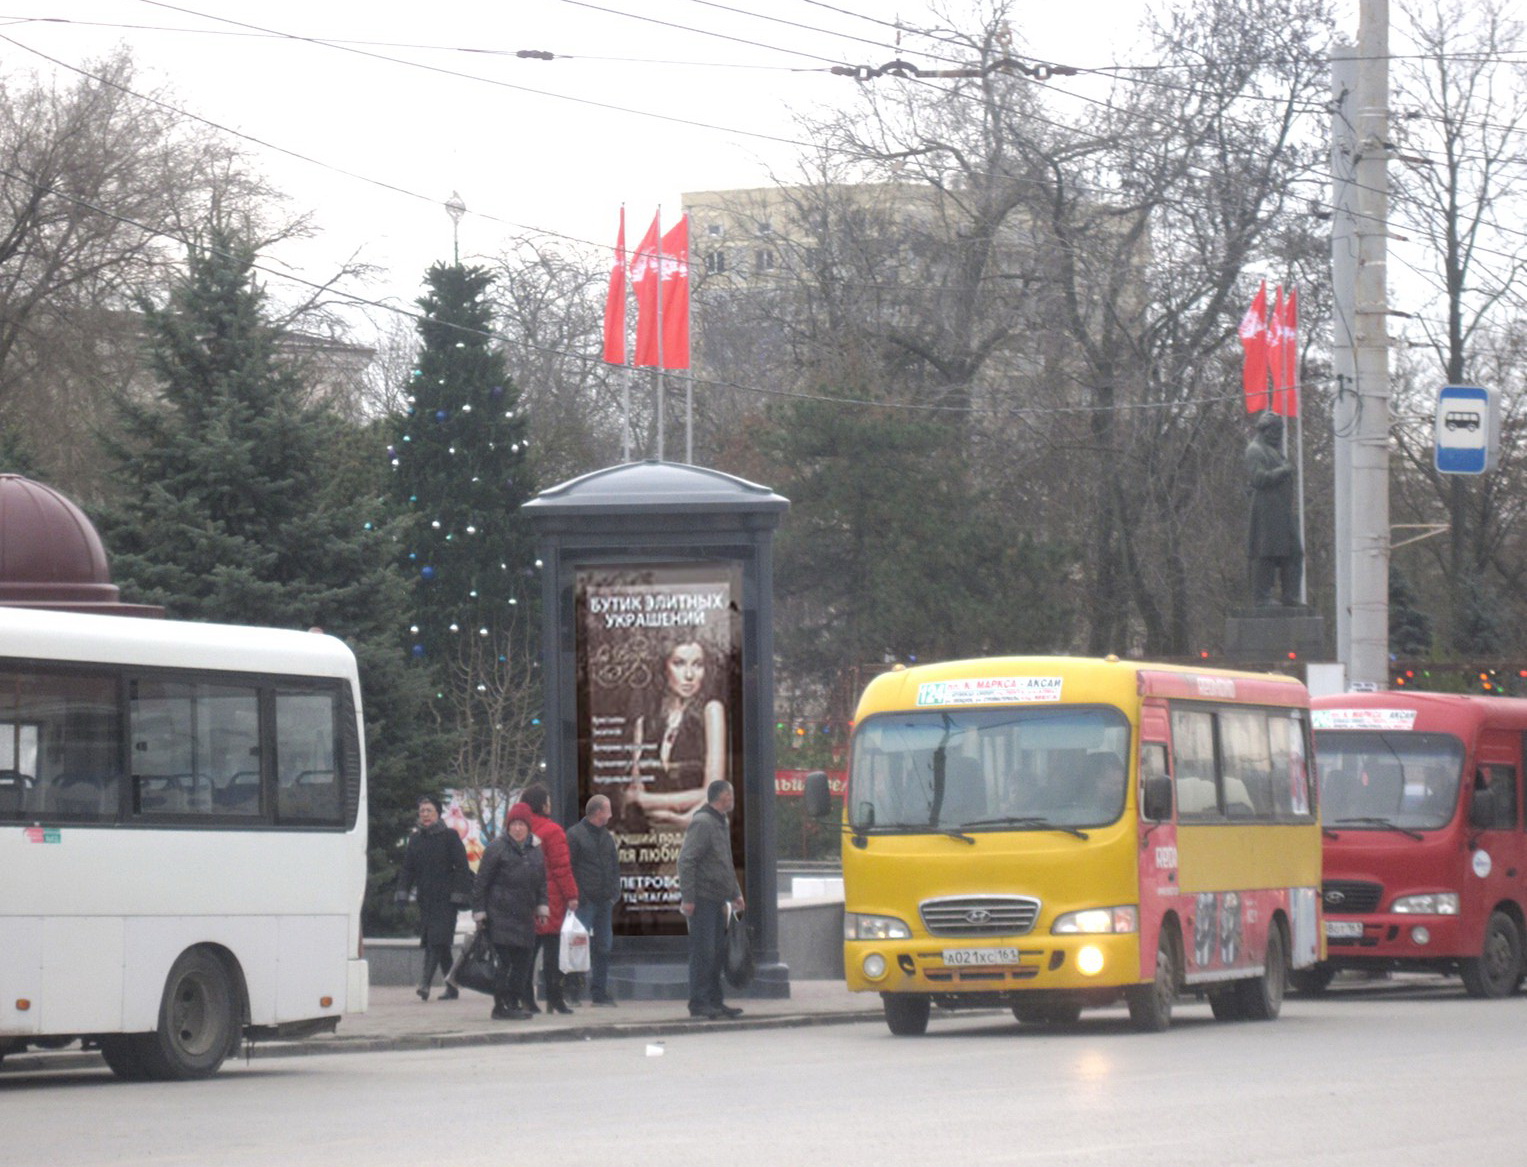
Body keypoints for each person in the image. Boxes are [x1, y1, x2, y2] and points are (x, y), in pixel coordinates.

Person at [625, 632, 727, 830]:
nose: (689, 675)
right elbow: (632, 795)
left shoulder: (711, 710)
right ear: (664, 668)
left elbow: (715, 793)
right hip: (651, 838)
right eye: (679, 663)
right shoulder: (646, 721)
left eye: (698, 665)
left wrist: (652, 804)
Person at [472, 803, 548, 1021]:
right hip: (500, 917)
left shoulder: (535, 850)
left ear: (528, 827)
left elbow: (541, 883)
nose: (517, 829)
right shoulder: (497, 848)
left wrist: (543, 907)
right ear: (508, 826)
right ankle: (501, 1005)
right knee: (504, 964)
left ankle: (514, 1001)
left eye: (522, 824)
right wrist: (480, 913)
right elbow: (481, 883)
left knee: (523, 965)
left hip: (524, 917)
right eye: (514, 824)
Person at [678, 779, 745, 1021]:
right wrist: (688, 898)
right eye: (731, 794)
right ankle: (699, 1003)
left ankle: (715, 1002)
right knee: (703, 953)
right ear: (721, 797)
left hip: (718, 900)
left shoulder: (720, 822)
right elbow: (687, 861)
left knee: (717, 953)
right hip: (702, 900)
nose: (733, 799)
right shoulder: (703, 823)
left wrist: (735, 893)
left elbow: (724, 862)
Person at [395, 795, 470, 1002]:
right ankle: (452, 986)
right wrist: (402, 891)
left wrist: (459, 893)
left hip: (447, 900)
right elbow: (408, 869)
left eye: (429, 811)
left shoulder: (450, 836)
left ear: (437, 814)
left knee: (435, 941)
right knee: (441, 944)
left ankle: (425, 984)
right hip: (426, 900)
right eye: (422, 811)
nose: (425, 815)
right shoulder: (416, 839)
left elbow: (462, 867)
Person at [519, 783, 580, 1015]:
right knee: (553, 955)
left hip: (525, 900)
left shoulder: (518, 828)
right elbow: (561, 867)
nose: (550, 805)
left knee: (527, 954)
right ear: (542, 804)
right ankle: (555, 999)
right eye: (548, 801)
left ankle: (526, 999)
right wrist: (572, 895)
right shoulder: (553, 831)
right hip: (551, 901)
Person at [567, 793, 621, 1006]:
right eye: (608, 809)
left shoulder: (606, 836)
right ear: (598, 812)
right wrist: (577, 894)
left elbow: (614, 866)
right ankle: (572, 991)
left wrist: (614, 892)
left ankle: (599, 992)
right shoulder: (575, 835)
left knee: (603, 946)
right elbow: (568, 867)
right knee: (576, 945)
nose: (611, 814)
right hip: (585, 902)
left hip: (604, 901)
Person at [1245, 411, 1302, 607]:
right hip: (1266, 511)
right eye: (1276, 431)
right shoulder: (1255, 450)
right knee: (1266, 552)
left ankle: (1290, 595)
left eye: (1280, 431)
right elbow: (1258, 478)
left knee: (1295, 552)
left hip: (1282, 511)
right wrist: (1283, 471)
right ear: (1265, 429)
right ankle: (1262, 597)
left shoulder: (1274, 451)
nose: (1278, 435)